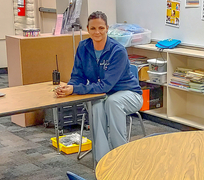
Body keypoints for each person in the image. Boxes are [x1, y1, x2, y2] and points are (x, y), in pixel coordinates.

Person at [55, 11, 143, 162]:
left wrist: (75, 90)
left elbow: (106, 86)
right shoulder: (83, 47)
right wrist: (69, 88)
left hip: (129, 94)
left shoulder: (118, 51)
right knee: (95, 105)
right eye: (93, 28)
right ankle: (102, 161)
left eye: (101, 28)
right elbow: (78, 77)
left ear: (107, 28)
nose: (97, 32)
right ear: (88, 29)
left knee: (112, 102)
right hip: (102, 95)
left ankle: (121, 157)